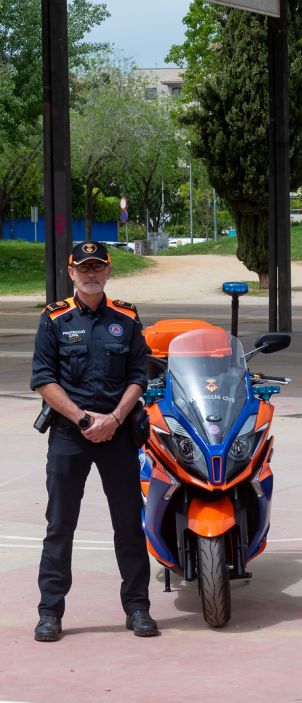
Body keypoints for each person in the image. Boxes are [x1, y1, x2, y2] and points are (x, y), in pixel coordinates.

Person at [29, 241, 158, 642]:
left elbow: (140, 374)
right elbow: (43, 380)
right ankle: (50, 612)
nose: (91, 274)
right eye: (83, 268)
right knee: (60, 526)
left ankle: (137, 608)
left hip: (118, 435)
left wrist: (116, 418)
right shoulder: (54, 319)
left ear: (108, 271)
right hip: (71, 435)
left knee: (128, 527)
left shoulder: (127, 316)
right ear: (71, 273)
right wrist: (85, 419)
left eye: (98, 267)